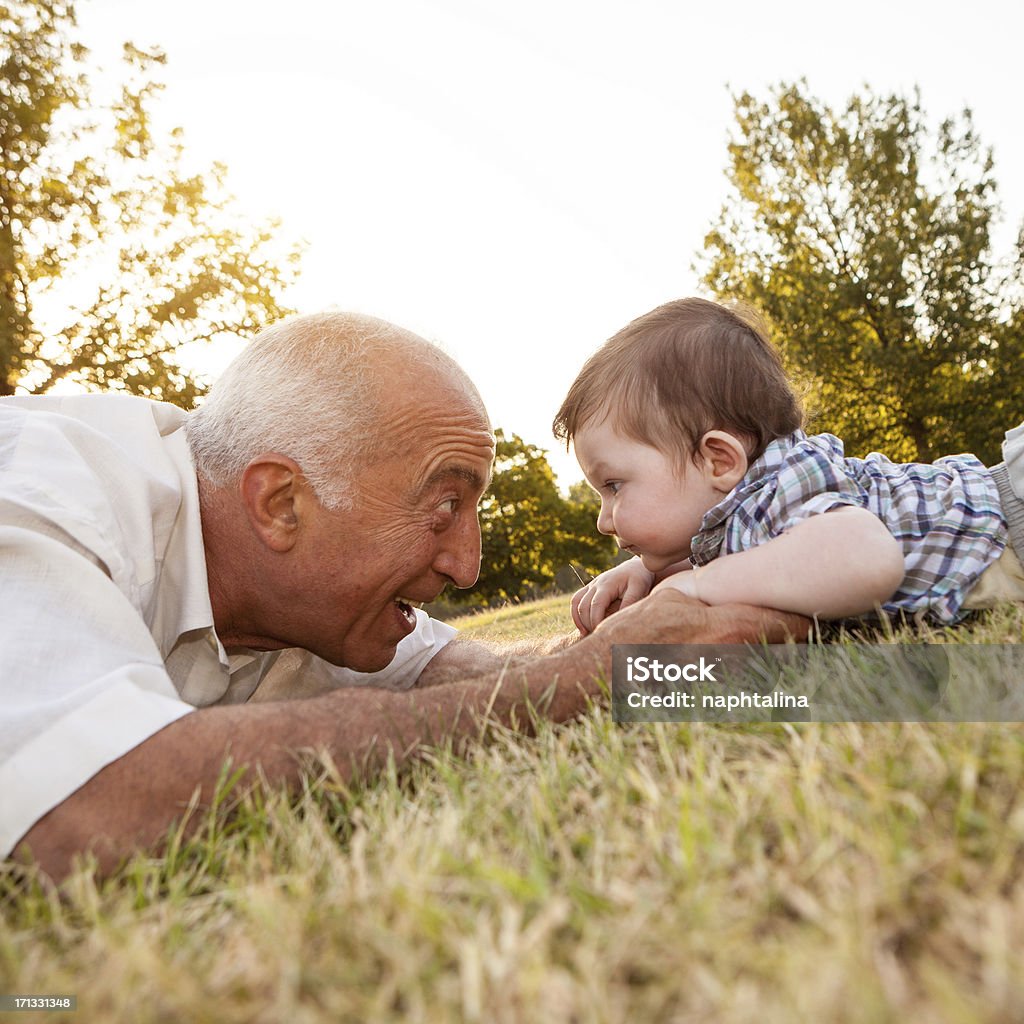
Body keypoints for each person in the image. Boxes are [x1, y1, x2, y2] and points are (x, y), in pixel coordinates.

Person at [1, 311, 805, 880]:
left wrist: (658, 646)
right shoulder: (44, 492)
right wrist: (580, 684)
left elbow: (462, 673)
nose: (467, 566)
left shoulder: (314, 598)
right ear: (280, 504)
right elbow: (84, 812)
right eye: (443, 507)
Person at [555, 297, 1024, 634]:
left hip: (1011, 520)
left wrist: (699, 585)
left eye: (614, 485)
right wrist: (648, 572)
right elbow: (753, 555)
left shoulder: (783, 483)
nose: (603, 519)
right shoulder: (738, 510)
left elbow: (867, 562)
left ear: (719, 459)